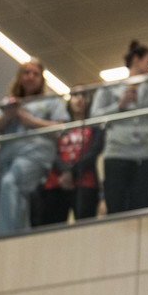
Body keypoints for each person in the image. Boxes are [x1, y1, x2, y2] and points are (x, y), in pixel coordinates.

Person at [0, 58, 68, 234]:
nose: (30, 77)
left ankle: (7, 236)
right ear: (20, 77)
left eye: (35, 74)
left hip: (34, 154)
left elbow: (60, 129)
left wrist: (28, 120)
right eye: (26, 73)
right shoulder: (10, 102)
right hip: (8, 156)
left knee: (10, 185)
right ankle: (22, 234)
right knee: (16, 195)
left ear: (41, 79)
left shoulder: (51, 102)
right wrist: (8, 116)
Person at [91, 41, 148, 214]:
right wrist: (119, 106)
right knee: (116, 205)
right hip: (117, 154)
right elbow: (94, 118)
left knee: (141, 206)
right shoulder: (110, 89)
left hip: (146, 156)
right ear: (136, 59)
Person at [40, 88, 104, 225]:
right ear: (69, 100)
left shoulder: (95, 127)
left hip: (85, 184)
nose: (80, 98)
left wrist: (71, 172)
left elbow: (94, 152)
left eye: (84, 95)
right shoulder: (59, 126)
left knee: (85, 229)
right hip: (57, 184)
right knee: (52, 229)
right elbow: (50, 150)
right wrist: (65, 172)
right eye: (75, 95)